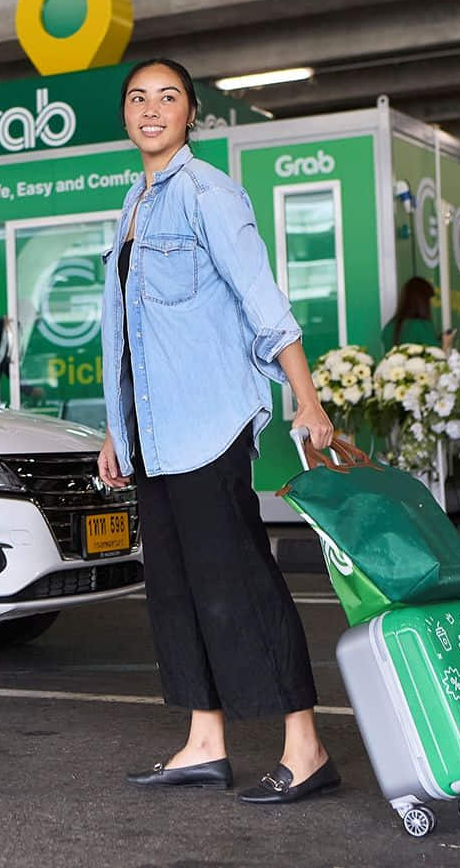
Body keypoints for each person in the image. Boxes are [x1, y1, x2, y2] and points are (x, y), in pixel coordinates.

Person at [97, 58, 340, 803]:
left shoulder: (209, 192)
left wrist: (307, 398)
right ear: (125, 116)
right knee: (174, 589)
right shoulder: (130, 208)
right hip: (154, 436)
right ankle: (205, 739)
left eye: (166, 97)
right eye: (137, 98)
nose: (150, 108)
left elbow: (262, 300)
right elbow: (122, 335)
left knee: (239, 581)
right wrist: (115, 430)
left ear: (190, 114)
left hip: (208, 426)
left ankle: (306, 747)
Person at [382, 276, 454, 351]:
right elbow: (436, 359)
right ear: (423, 302)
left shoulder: (389, 327)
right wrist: (445, 344)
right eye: (428, 300)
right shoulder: (422, 326)